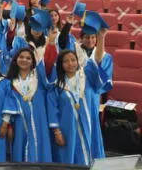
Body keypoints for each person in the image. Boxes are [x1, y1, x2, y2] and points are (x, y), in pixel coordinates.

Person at [46, 28, 111, 165]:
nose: (70, 64)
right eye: (66, 61)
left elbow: (98, 59)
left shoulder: (86, 75)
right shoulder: (56, 85)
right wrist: (57, 132)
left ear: (78, 61)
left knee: (88, 153)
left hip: (87, 123)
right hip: (67, 127)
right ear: (61, 65)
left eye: (73, 60)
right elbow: (53, 110)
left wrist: (101, 38)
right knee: (68, 156)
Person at [6, 47, 53, 163]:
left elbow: (49, 62)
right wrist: (9, 126)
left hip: (39, 124)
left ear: (33, 61)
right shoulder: (10, 82)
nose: (24, 60)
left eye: (28, 58)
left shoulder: (39, 79)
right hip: (19, 124)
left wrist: (50, 42)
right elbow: (7, 105)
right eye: (21, 57)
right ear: (16, 59)